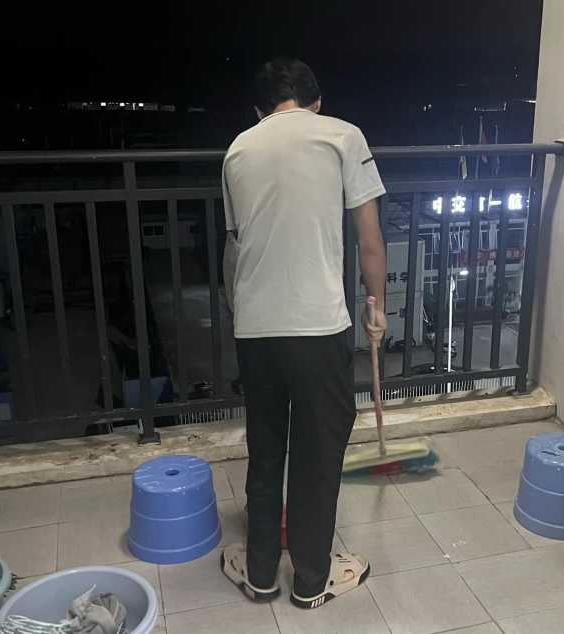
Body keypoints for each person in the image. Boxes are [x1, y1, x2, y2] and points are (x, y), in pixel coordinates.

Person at [219, 58, 388, 610]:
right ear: (316, 103)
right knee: (317, 456)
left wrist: (241, 312)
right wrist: (378, 309)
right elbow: (369, 240)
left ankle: (261, 575)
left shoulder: (238, 149)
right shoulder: (342, 136)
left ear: (259, 110)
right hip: (317, 328)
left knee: (266, 451)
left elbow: (235, 248)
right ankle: (312, 581)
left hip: (255, 327)